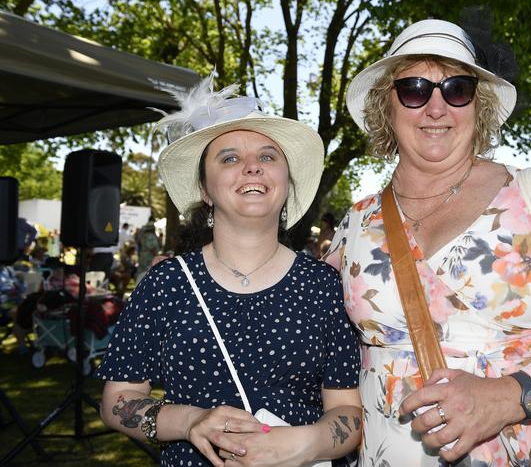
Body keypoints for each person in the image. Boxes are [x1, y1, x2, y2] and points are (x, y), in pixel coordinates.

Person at [324, 17, 531, 465]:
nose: (436, 108)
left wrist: (506, 397)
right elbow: (310, 338)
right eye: (415, 89)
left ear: (477, 105)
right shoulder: (357, 222)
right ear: (387, 106)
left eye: (457, 89)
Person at [96, 74, 362, 467]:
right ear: (205, 188)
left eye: (268, 156)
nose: (252, 167)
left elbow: (348, 413)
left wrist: (298, 445)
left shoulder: (323, 285)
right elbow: (117, 400)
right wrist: (190, 422)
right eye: (230, 158)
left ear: (285, 182)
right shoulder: (167, 283)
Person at [134, 217, 160, 285]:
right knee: (147, 272)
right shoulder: (151, 236)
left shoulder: (143, 236)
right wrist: (156, 256)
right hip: (149, 257)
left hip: (142, 256)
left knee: (141, 273)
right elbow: (152, 248)